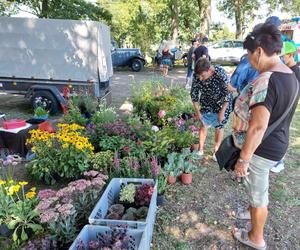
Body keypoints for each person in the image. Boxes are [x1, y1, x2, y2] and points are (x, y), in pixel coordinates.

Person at [231, 23, 300, 250]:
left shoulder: (266, 80)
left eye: (249, 54)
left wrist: (244, 159)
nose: (249, 60)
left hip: (262, 149)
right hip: (277, 142)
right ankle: (252, 213)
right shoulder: (290, 73)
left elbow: (258, 127)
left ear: (259, 51)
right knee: (257, 191)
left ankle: (255, 238)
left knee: (259, 198)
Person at [190, 58, 233, 160]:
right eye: (198, 76)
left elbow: (228, 93)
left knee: (219, 127)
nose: (200, 78)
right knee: (203, 125)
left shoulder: (220, 73)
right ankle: (200, 150)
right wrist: (198, 112)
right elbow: (194, 94)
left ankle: (216, 151)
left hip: (222, 104)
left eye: (202, 76)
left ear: (210, 70)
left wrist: (222, 112)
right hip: (206, 103)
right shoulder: (198, 75)